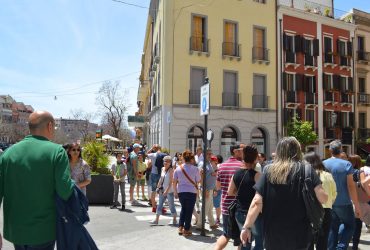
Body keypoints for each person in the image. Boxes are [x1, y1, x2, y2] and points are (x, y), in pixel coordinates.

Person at [0, 110, 74, 249]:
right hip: (43, 230)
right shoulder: (57, 152)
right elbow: (65, 191)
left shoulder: (7, 154)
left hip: (16, 230)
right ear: (50, 126)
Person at [240, 137, 327, 250]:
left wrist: (246, 227)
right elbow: (323, 198)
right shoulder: (307, 170)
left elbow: (257, 202)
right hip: (300, 234)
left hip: (273, 234)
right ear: (297, 151)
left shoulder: (268, 170)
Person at [323, 140, 361, 250]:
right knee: (350, 225)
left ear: (330, 150)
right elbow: (351, 186)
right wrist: (356, 205)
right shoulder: (346, 164)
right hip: (343, 202)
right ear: (341, 150)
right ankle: (341, 247)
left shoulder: (324, 163)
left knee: (332, 227)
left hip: (328, 202)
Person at [228, 144, 263, 250]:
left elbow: (230, 192)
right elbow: (261, 196)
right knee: (259, 243)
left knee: (245, 242)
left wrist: (241, 192)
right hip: (254, 213)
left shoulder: (236, 173)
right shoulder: (258, 175)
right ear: (255, 158)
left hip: (239, 212)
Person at [304, 151, 337, 250]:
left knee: (308, 240)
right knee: (323, 240)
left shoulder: (305, 175)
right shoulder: (327, 175)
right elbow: (334, 194)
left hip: (308, 211)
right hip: (326, 210)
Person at [215, 144, 243, 250]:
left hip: (226, 205)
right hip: (239, 206)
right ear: (235, 152)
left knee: (226, 234)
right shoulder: (242, 166)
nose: (242, 153)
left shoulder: (221, 166)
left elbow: (218, 187)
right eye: (241, 151)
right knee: (242, 235)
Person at [173, 150, 201, 237]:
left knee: (184, 209)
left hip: (181, 191)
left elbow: (174, 182)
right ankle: (186, 229)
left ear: (184, 158)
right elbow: (198, 180)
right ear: (191, 159)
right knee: (189, 210)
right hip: (192, 192)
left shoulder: (178, 168)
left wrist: (175, 192)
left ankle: (180, 227)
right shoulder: (195, 169)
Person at [150, 156, 177, 225]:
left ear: (170, 163)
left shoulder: (171, 170)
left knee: (171, 205)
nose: (165, 162)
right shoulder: (162, 169)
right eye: (164, 161)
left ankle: (174, 219)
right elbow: (161, 179)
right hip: (162, 190)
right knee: (159, 205)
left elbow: (171, 182)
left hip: (169, 191)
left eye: (167, 161)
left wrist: (166, 191)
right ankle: (156, 220)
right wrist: (157, 187)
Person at [196, 149, 218, 230]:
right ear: (204, 155)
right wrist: (205, 189)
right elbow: (200, 178)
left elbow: (210, 175)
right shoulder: (202, 164)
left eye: (210, 154)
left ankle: (212, 223)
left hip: (210, 189)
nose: (209, 155)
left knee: (209, 208)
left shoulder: (208, 163)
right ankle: (199, 225)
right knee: (205, 208)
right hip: (207, 189)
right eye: (208, 154)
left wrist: (214, 188)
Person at [348, 154, 364, 250]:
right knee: (358, 224)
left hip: (347, 200)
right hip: (357, 200)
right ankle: (355, 245)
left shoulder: (346, 171)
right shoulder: (358, 172)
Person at [146, 144, 163, 212]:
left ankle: (153, 207)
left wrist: (151, 148)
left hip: (153, 173)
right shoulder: (162, 155)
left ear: (154, 149)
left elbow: (146, 154)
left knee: (153, 190)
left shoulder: (152, 155)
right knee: (161, 190)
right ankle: (160, 206)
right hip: (160, 174)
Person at [213, 155, 223, 225]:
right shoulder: (220, 166)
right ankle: (217, 218)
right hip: (218, 187)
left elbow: (217, 176)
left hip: (215, 188)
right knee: (217, 204)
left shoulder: (218, 166)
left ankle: (217, 218)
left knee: (216, 204)